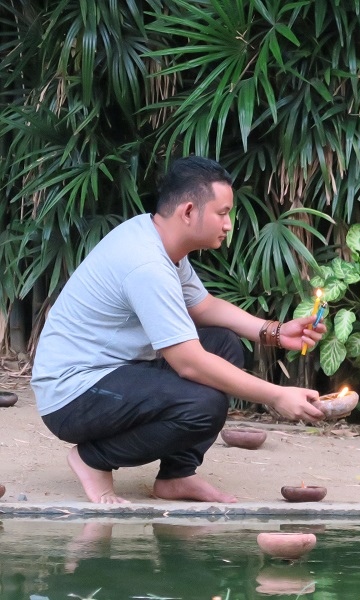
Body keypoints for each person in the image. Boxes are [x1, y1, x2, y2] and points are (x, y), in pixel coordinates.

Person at [31, 156, 327, 505]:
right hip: (72, 395)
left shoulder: (158, 237)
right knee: (203, 404)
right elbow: (188, 363)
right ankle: (92, 459)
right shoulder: (146, 264)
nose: (229, 224)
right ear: (189, 211)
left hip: (114, 373)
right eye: (222, 213)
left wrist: (275, 331)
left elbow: (203, 307)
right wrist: (276, 395)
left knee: (222, 345)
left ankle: (177, 477)